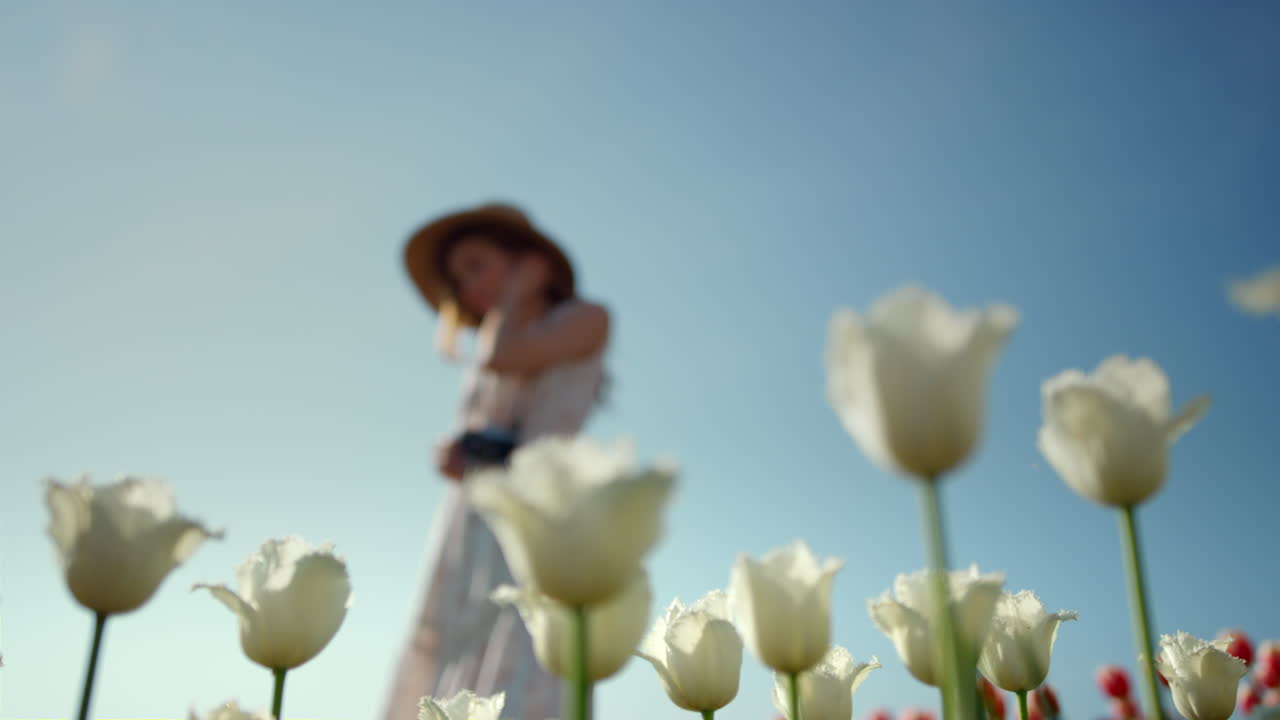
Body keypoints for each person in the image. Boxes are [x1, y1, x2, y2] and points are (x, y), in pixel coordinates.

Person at [381, 203, 610, 720]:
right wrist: (458, 450)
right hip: (471, 517)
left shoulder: (587, 319)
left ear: (533, 264)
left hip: (538, 512)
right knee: (456, 636)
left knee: (524, 633)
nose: (467, 289)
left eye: (477, 266)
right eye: (458, 280)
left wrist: (510, 299)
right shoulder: (495, 337)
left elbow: (501, 359)